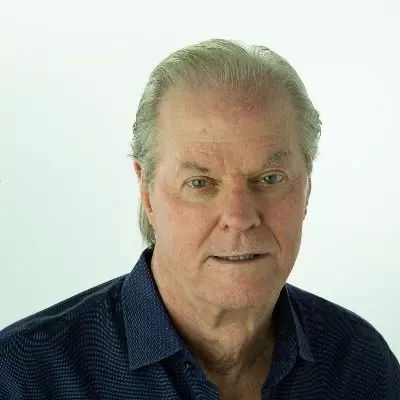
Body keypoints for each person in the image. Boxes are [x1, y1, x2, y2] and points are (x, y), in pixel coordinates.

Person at [0, 38, 399, 400]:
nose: (240, 218)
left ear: (306, 188)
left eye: (270, 178)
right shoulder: (23, 378)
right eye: (200, 183)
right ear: (147, 192)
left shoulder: (361, 364)